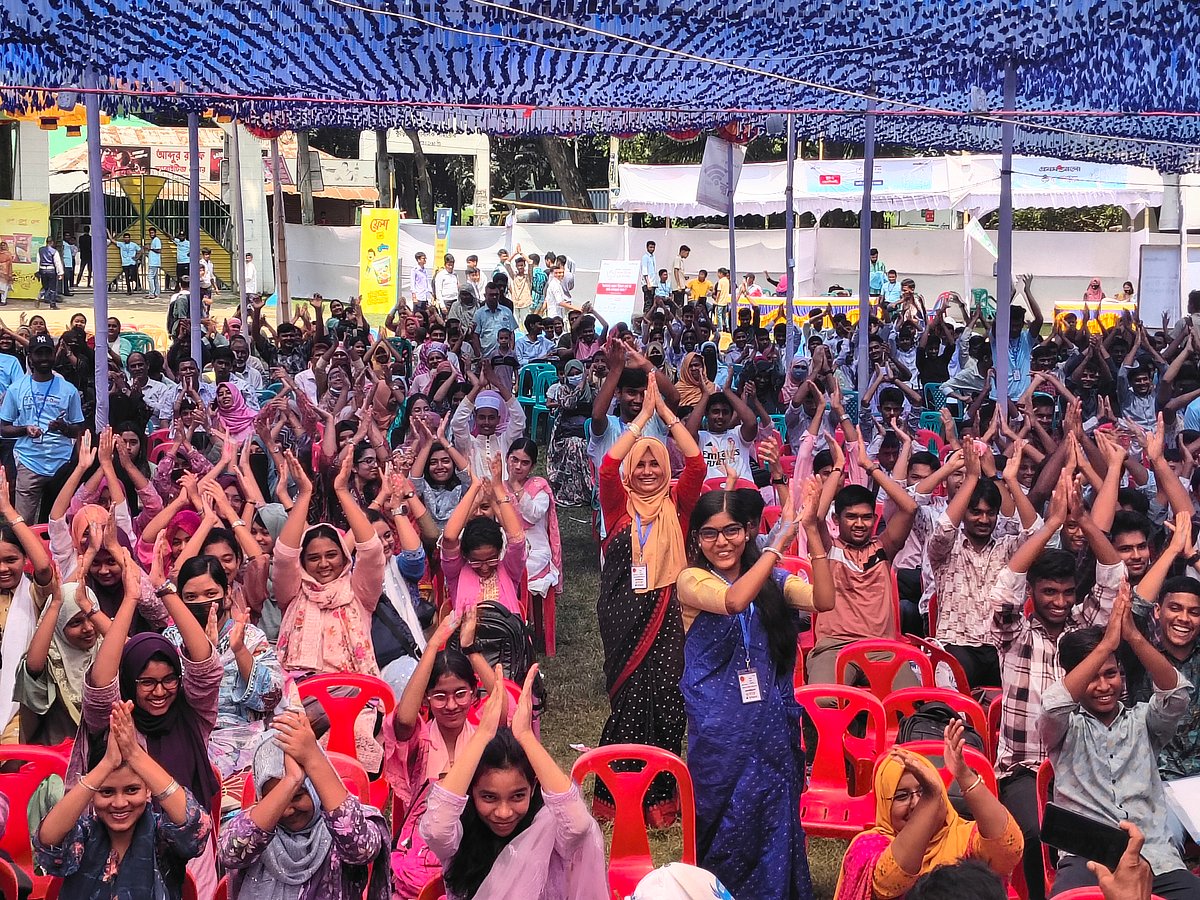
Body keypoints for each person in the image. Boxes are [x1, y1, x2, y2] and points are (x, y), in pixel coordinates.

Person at [677, 485, 832, 897]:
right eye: (709, 533)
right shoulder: (690, 579)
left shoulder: (773, 580)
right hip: (718, 728)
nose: (721, 542)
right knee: (720, 819)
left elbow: (823, 600)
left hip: (769, 723)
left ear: (747, 532)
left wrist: (811, 531)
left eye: (731, 531)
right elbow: (732, 600)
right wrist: (776, 545)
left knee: (772, 815)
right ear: (696, 539)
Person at [69, 544, 222, 896]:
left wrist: (165, 589)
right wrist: (130, 600)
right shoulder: (117, 718)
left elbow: (205, 668)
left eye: (169, 679)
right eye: (147, 682)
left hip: (186, 839)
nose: (160, 691)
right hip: (116, 836)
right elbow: (101, 683)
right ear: (130, 682)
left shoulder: (192, 713)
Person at [1040, 587, 1200, 900]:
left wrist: (1133, 637)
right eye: (1092, 677)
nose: (1104, 686)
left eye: (1111, 674)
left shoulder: (1144, 721)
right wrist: (1106, 645)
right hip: (1085, 856)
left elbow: (1177, 696)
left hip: (1153, 856)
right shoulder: (1063, 726)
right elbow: (1052, 705)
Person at [595, 377, 704, 825]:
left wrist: (667, 416)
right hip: (623, 618)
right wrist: (641, 419)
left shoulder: (677, 505)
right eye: (639, 466)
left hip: (670, 618)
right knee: (628, 703)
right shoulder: (618, 506)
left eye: (654, 465)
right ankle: (616, 794)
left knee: (667, 699)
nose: (646, 472)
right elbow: (607, 466)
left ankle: (660, 799)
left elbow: (695, 463)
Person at [420, 664, 608, 900]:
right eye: (489, 797)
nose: (504, 812)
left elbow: (579, 824)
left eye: (518, 796)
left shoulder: (548, 829)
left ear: (533, 789)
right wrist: (482, 735)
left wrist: (526, 737)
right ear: (471, 792)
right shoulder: (457, 834)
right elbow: (435, 828)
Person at [34, 701, 212, 900]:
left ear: (148, 791)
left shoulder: (162, 837)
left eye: (132, 790)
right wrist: (106, 765)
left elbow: (195, 826)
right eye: (107, 792)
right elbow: (47, 841)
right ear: (92, 793)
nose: (119, 803)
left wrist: (135, 754)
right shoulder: (83, 835)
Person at [834, 724, 1023, 900]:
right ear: (885, 806)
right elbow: (890, 882)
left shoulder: (963, 837)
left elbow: (1009, 849)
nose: (916, 803)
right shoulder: (867, 847)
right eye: (901, 796)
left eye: (924, 790)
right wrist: (931, 798)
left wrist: (963, 774)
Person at [217, 710, 391, 900]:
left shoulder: (344, 825)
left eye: (298, 795)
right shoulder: (257, 826)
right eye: (276, 797)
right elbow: (230, 854)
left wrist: (313, 759)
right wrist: (292, 781)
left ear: (316, 787)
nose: (287, 810)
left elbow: (361, 848)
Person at [383, 610, 497, 896]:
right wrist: (433, 645)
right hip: (425, 848)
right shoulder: (419, 741)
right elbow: (404, 721)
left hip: (477, 836)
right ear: (427, 698)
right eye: (440, 696)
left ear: (474, 693)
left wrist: (470, 648)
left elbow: (503, 705)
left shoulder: (481, 734)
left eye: (461, 693)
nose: (451, 705)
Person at [163, 554, 282, 779]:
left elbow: (270, 697)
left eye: (210, 594)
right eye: (191, 596)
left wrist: (239, 650)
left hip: (244, 743)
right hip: (186, 739)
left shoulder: (250, 637)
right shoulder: (170, 640)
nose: (202, 602)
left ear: (226, 594)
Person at [0, 334, 86, 522]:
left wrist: (63, 427)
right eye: (39, 354)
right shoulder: (16, 388)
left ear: (54, 355)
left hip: (61, 464)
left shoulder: (68, 389)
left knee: (59, 523)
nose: (44, 358)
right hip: (29, 463)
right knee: (22, 523)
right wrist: (25, 429)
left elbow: (79, 428)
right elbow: (4, 428)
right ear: (30, 357)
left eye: (48, 353)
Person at [16, 581, 107, 746]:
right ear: (59, 626)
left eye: (90, 617)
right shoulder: (51, 658)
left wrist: (90, 607)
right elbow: (33, 668)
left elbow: (133, 650)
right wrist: (55, 605)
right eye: (75, 622)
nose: (88, 628)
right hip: (59, 757)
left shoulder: (107, 647)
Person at [145, 227, 162, 298]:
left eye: (152, 233)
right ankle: (156, 293)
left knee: (150, 277)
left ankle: (151, 293)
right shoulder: (153, 240)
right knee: (155, 278)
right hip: (153, 262)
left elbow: (159, 250)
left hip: (154, 262)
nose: (151, 234)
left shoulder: (156, 240)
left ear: (155, 233)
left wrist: (150, 249)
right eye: (150, 233)